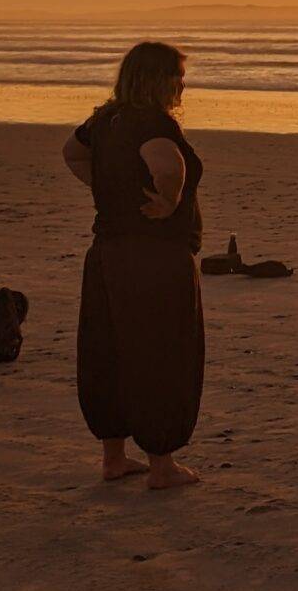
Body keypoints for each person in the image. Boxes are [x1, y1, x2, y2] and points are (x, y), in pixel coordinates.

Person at [60, 41, 205, 491]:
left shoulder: (105, 119)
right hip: (156, 258)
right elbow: (167, 165)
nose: (182, 86)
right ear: (158, 79)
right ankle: (162, 465)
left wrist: (106, 185)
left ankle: (114, 458)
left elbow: (71, 152)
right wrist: (169, 200)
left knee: (109, 351)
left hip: (107, 254)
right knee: (161, 351)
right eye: (178, 77)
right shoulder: (153, 123)